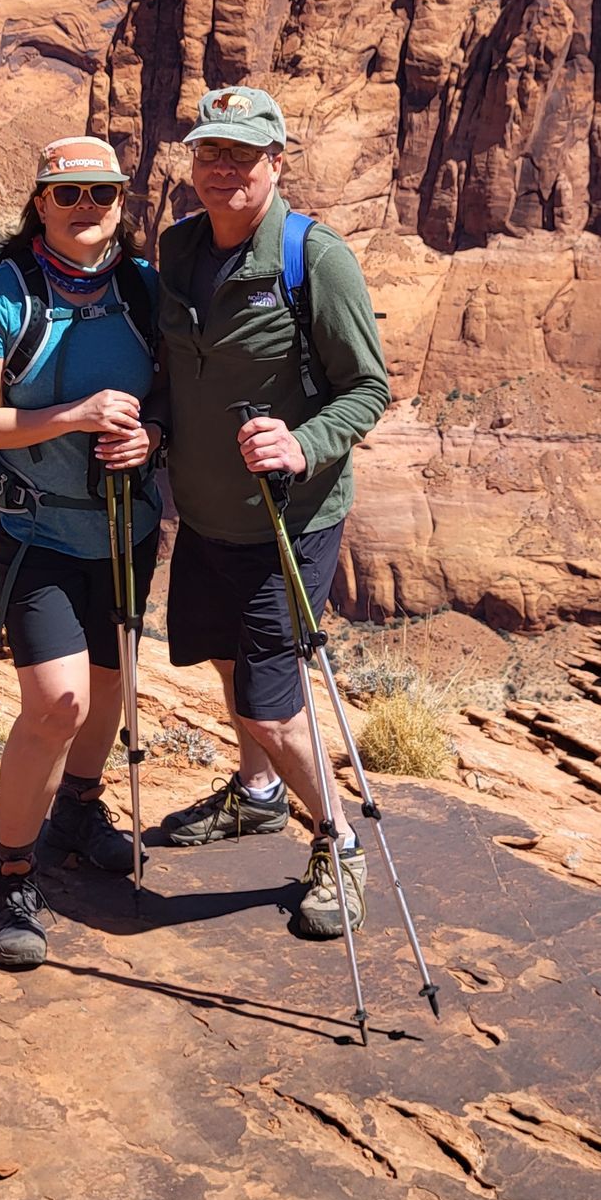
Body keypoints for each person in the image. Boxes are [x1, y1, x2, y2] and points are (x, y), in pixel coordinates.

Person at [154, 84, 390, 940]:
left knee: (271, 702)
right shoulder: (178, 250)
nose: (223, 170)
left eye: (242, 156)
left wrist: (303, 443)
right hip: (207, 513)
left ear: (276, 162)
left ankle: (338, 844)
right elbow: (169, 368)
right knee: (224, 661)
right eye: (210, 152)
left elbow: (368, 388)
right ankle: (257, 796)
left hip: (288, 525)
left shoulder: (312, 258)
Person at [0, 136, 159, 972]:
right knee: (57, 704)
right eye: (66, 195)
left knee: (110, 683)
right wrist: (73, 416)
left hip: (127, 528)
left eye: (101, 195)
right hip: (38, 531)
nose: (86, 210)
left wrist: (148, 439)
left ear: (121, 202)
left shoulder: (143, 292)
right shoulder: (3, 292)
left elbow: (173, 405)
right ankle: (11, 873)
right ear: (38, 202)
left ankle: (79, 808)